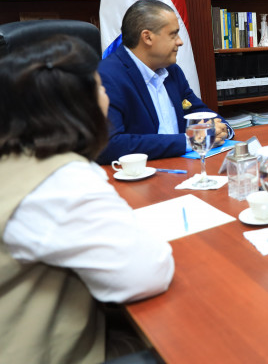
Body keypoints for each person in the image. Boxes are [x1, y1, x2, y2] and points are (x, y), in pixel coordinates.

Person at [0, 36, 174, 363]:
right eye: (100, 88)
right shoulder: (59, 183)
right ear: (80, 106)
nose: (106, 96)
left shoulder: (17, 157)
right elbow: (149, 273)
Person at [97, 0, 232, 164]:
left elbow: (199, 111)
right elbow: (111, 145)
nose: (180, 41)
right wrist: (190, 140)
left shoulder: (172, 71)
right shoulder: (107, 76)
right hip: (140, 174)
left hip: (184, 167)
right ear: (147, 37)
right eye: (173, 34)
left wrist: (221, 129)